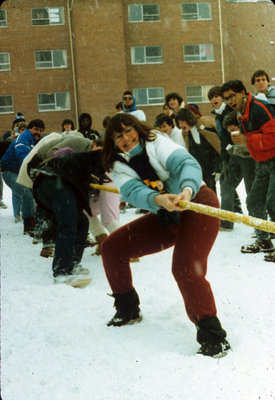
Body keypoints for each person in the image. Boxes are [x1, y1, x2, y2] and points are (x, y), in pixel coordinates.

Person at [101, 113, 230, 358]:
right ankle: (127, 308)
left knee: (185, 268)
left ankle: (213, 336)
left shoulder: (156, 141)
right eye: (118, 136)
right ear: (113, 142)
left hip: (197, 203)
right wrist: (157, 200)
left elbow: (186, 164)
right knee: (112, 248)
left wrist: (186, 191)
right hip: (166, 213)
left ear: (137, 128)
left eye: (128, 130)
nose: (126, 138)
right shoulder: (117, 164)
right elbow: (132, 191)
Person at [29, 148, 107, 287]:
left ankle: (73, 263)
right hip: (54, 183)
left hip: (51, 184)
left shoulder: (88, 160)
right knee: (68, 225)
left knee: (82, 222)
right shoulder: (95, 158)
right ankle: (61, 272)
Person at [221, 79, 275, 261]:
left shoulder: (259, 108)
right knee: (253, 201)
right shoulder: (240, 115)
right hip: (262, 163)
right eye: (226, 98)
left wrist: (247, 141)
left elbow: (273, 137)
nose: (229, 101)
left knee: (273, 203)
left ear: (243, 93)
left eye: (232, 96)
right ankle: (263, 240)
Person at [208, 85, 244, 229]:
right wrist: (224, 157)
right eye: (211, 98)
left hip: (244, 153)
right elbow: (222, 139)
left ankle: (266, 226)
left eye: (216, 96)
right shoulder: (217, 115)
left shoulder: (232, 111)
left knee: (253, 190)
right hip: (230, 154)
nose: (214, 99)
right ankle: (227, 221)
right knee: (226, 185)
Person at [1, 119, 45, 233]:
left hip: (21, 172)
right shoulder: (24, 137)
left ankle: (38, 220)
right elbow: (22, 155)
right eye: (35, 129)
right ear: (29, 129)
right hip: (9, 171)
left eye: (40, 131)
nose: (38, 132)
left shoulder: (37, 140)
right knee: (26, 192)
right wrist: (35, 164)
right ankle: (29, 224)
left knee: (34, 192)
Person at [175, 108, 221, 193]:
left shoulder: (205, 125)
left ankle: (235, 206)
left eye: (182, 122)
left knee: (225, 191)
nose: (180, 125)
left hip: (215, 166)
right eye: (179, 123)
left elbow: (216, 146)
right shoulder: (185, 133)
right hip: (201, 169)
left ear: (188, 119)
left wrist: (217, 168)